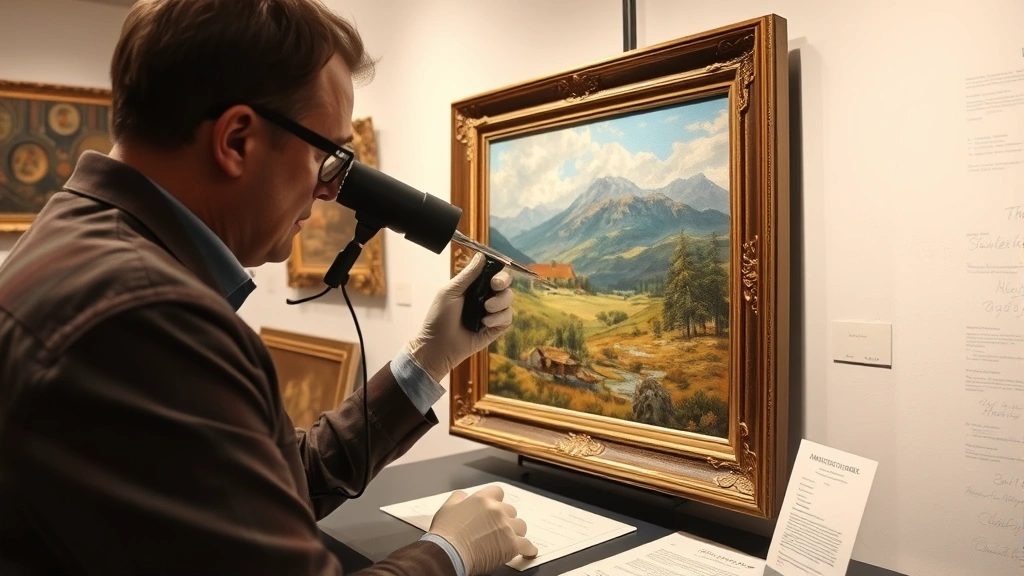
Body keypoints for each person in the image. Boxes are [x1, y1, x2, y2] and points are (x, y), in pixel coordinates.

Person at [0, 0, 538, 574]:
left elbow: (259, 486)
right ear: (236, 140)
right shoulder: (145, 314)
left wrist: (429, 358)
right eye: (325, 156)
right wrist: (453, 551)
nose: (330, 190)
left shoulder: (83, 243)